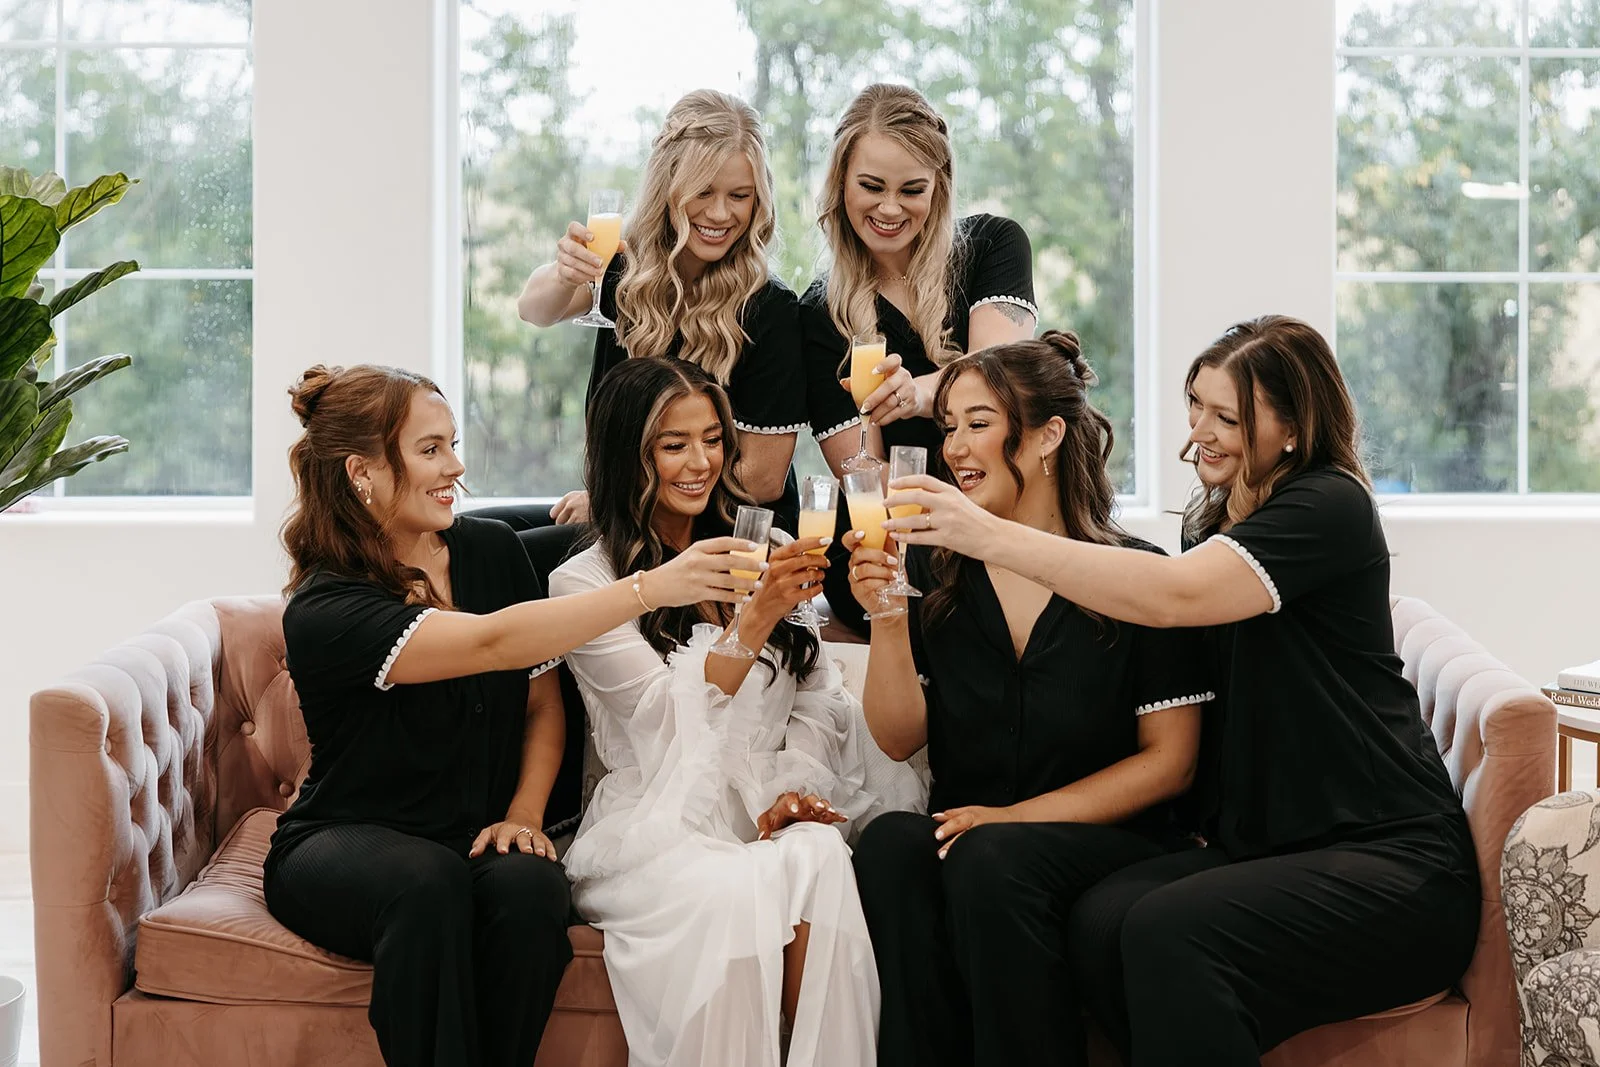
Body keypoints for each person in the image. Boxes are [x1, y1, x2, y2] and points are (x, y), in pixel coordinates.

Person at [878, 316, 1481, 1066]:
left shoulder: (1329, 507)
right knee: (1102, 920)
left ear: (1293, 429)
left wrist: (982, 531)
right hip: (1270, 847)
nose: (1201, 432)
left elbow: (1171, 597)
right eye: (1196, 405)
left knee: (1168, 931)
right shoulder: (1216, 522)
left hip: (1391, 859)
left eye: (1227, 416)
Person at [265, 363, 757, 1067]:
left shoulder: (490, 550)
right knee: (425, 883)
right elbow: (496, 641)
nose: (456, 467)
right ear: (361, 472)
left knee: (531, 889)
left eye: (453, 443)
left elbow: (540, 705)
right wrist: (650, 587)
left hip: (474, 833)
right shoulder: (327, 608)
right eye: (430, 449)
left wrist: (526, 815)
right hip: (348, 835)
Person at [843, 332, 1209, 1067]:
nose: (954, 447)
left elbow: (1170, 764)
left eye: (978, 423)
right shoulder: (939, 574)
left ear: (1047, 436)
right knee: (888, 844)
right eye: (947, 425)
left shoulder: (1136, 576)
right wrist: (886, 619)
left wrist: (1010, 819)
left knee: (989, 857)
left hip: (1109, 840)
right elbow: (896, 737)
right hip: (976, 831)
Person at [548, 357, 879, 1067]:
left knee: (822, 854)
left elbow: (821, 695)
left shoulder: (768, 546)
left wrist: (795, 789)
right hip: (654, 826)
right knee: (737, 888)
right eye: (673, 444)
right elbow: (664, 724)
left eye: (713, 439)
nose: (701, 462)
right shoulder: (584, 581)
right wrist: (752, 619)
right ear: (625, 454)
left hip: (755, 811)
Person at [485, 89, 807, 576]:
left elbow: (761, 480)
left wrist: (619, 501)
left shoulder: (770, 308)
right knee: (475, 534)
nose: (721, 214)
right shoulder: (627, 268)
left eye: (739, 196)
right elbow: (534, 309)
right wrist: (565, 273)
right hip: (631, 515)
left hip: (719, 530)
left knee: (494, 562)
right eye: (703, 192)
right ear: (668, 188)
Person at [801, 83, 1039, 632]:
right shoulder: (820, 312)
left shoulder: (995, 245)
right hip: (896, 545)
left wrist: (920, 393)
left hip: (1004, 515)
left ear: (940, 186)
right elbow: (867, 477)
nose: (889, 208)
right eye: (870, 187)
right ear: (840, 186)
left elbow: (997, 378)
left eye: (912, 189)